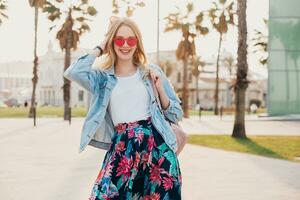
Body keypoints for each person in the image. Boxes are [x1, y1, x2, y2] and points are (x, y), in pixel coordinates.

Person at [64, 16, 183, 200]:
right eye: (119, 39)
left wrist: (160, 89)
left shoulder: (150, 72)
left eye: (131, 39)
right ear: (112, 42)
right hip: (121, 149)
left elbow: (176, 113)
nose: (125, 44)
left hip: (156, 149)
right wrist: (101, 45)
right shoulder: (102, 79)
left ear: (137, 42)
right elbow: (74, 72)